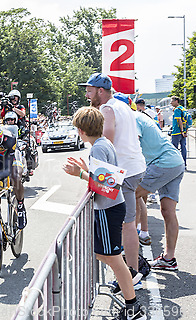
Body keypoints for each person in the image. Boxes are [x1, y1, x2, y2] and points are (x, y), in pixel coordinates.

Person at [63, 107, 146, 320]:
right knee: (103, 254)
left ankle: (132, 306)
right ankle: (129, 287)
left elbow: (108, 185)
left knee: (115, 259)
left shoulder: (97, 149)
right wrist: (88, 171)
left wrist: (80, 173)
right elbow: (106, 177)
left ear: (81, 131)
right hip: (111, 208)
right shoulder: (103, 143)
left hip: (108, 209)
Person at [80, 73, 146, 276]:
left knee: (127, 225)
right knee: (129, 221)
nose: (87, 95)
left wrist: (88, 172)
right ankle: (131, 269)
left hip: (124, 172)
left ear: (101, 91)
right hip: (134, 167)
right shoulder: (122, 105)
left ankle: (132, 273)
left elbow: (106, 139)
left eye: (90, 91)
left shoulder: (107, 108)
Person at [134, 111, 185, 270]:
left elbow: (132, 145)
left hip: (162, 163)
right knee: (168, 211)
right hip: (175, 162)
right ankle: (169, 258)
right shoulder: (141, 116)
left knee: (131, 194)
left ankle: (131, 257)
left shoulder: (131, 119)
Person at [170, 96, 188, 169]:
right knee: (183, 147)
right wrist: (185, 131)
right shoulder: (182, 108)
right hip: (183, 132)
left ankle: (176, 164)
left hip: (177, 132)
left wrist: (181, 131)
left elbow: (179, 120)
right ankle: (184, 163)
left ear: (176, 101)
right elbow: (186, 121)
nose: (171, 103)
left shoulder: (177, 110)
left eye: (172, 101)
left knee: (174, 149)